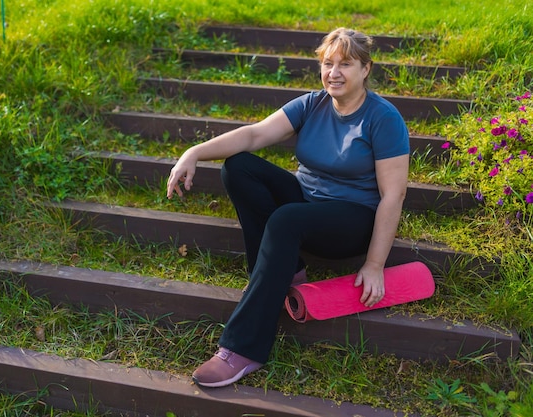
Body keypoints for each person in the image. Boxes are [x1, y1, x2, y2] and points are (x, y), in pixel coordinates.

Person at [166, 27, 410, 388]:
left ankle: (243, 349)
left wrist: (374, 264)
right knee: (239, 166)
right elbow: (254, 135)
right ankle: (283, 273)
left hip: (351, 220)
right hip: (305, 203)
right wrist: (194, 152)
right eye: (328, 63)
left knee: (286, 219)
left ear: (366, 69)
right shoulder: (313, 103)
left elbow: (394, 195)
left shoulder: (383, 118)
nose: (334, 72)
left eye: (346, 64)